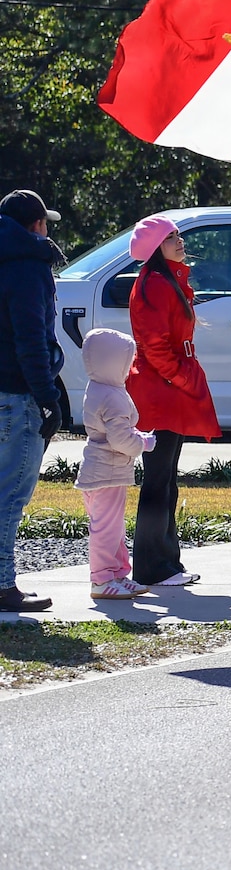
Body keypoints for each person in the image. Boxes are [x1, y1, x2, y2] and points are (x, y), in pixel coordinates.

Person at [125, 216, 220, 587]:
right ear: (154, 249)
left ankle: (167, 563)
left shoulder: (166, 282)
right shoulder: (155, 285)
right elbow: (154, 346)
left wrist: (179, 379)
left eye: (178, 235)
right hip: (159, 390)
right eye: (170, 237)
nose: (179, 241)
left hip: (166, 386)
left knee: (165, 480)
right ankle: (152, 567)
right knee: (158, 480)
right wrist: (179, 378)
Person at [0, 189, 66, 613]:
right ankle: (3, 586)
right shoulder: (29, 268)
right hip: (17, 394)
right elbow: (32, 342)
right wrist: (48, 398)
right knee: (9, 496)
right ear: (37, 225)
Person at [75, 327, 153, 599]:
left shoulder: (98, 387)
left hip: (102, 471)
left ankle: (118, 573)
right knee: (107, 529)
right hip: (106, 473)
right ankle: (101, 580)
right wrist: (143, 443)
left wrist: (135, 436)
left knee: (114, 527)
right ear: (113, 362)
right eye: (127, 361)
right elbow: (120, 439)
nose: (130, 367)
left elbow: (111, 429)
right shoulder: (113, 396)